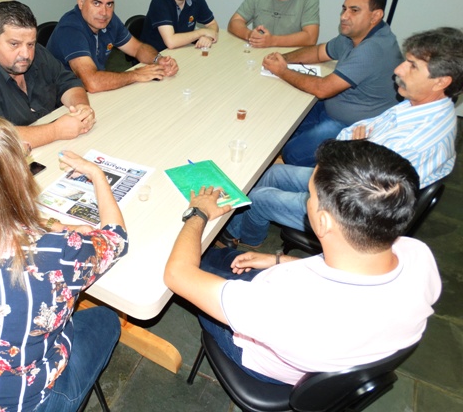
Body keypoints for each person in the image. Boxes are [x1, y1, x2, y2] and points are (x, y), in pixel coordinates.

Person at [165, 140, 441, 385]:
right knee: (227, 259)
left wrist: (198, 213)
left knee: (188, 264)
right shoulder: (417, 253)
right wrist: (278, 260)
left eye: (311, 195)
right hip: (333, 346)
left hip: (263, 361)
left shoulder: (284, 304)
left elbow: (177, 275)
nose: (308, 200)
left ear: (322, 221)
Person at [0, 115, 128, 411]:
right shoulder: (55, 255)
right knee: (106, 319)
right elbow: (116, 238)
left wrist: (48, 226)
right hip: (24, 404)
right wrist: (96, 175)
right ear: (17, 178)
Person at [223, 27, 461, 249]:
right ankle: (236, 229)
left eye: (412, 66)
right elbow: (357, 129)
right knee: (271, 174)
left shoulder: (417, 138)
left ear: (441, 81)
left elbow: (361, 188)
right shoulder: (416, 105)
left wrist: (354, 149)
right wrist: (358, 148)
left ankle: (246, 240)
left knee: (260, 197)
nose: (398, 70)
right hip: (351, 181)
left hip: (355, 215)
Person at [263, 0, 402, 167]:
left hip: (353, 127)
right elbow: (319, 52)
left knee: (292, 152)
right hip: (334, 107)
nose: (344, 16)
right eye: (344, 9)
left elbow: (323, 89)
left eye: (354, 10)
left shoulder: (374, 48)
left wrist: (282, 71)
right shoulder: (354, 34)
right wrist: (282, 58)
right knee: (282, 124)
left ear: (375, 16)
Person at [0, 0, 96, 148]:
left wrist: (81, 108)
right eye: (14, 44)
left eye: (30, 44)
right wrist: (55, 131)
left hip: (38, 148)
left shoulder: (32, 52)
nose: (26, 54)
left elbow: (68, 83)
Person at [47, 0, 179, 93]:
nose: (104, 12)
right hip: (59, 103)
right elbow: (91, 82)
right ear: (81, 3)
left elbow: (137, 48)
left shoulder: (108, 20)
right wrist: (136, 74)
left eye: (109, 4)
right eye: (97, 3)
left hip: (93, 93)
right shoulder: (70, 29)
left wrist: (158, 59)